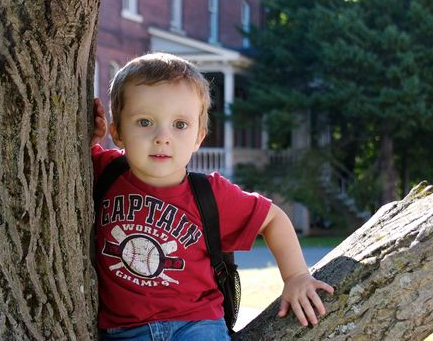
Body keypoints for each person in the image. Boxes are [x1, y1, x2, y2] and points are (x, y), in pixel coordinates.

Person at [91, 52, 334, 340]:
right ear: (117, 132)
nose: (162, 137)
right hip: (125, 331)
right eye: (144, 122)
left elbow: (273, 219)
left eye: (180, 124)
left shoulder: (210, 193)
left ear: (199, 137)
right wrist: (90, 138)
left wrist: (296, 276)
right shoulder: (103, 171)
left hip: (196, 325)